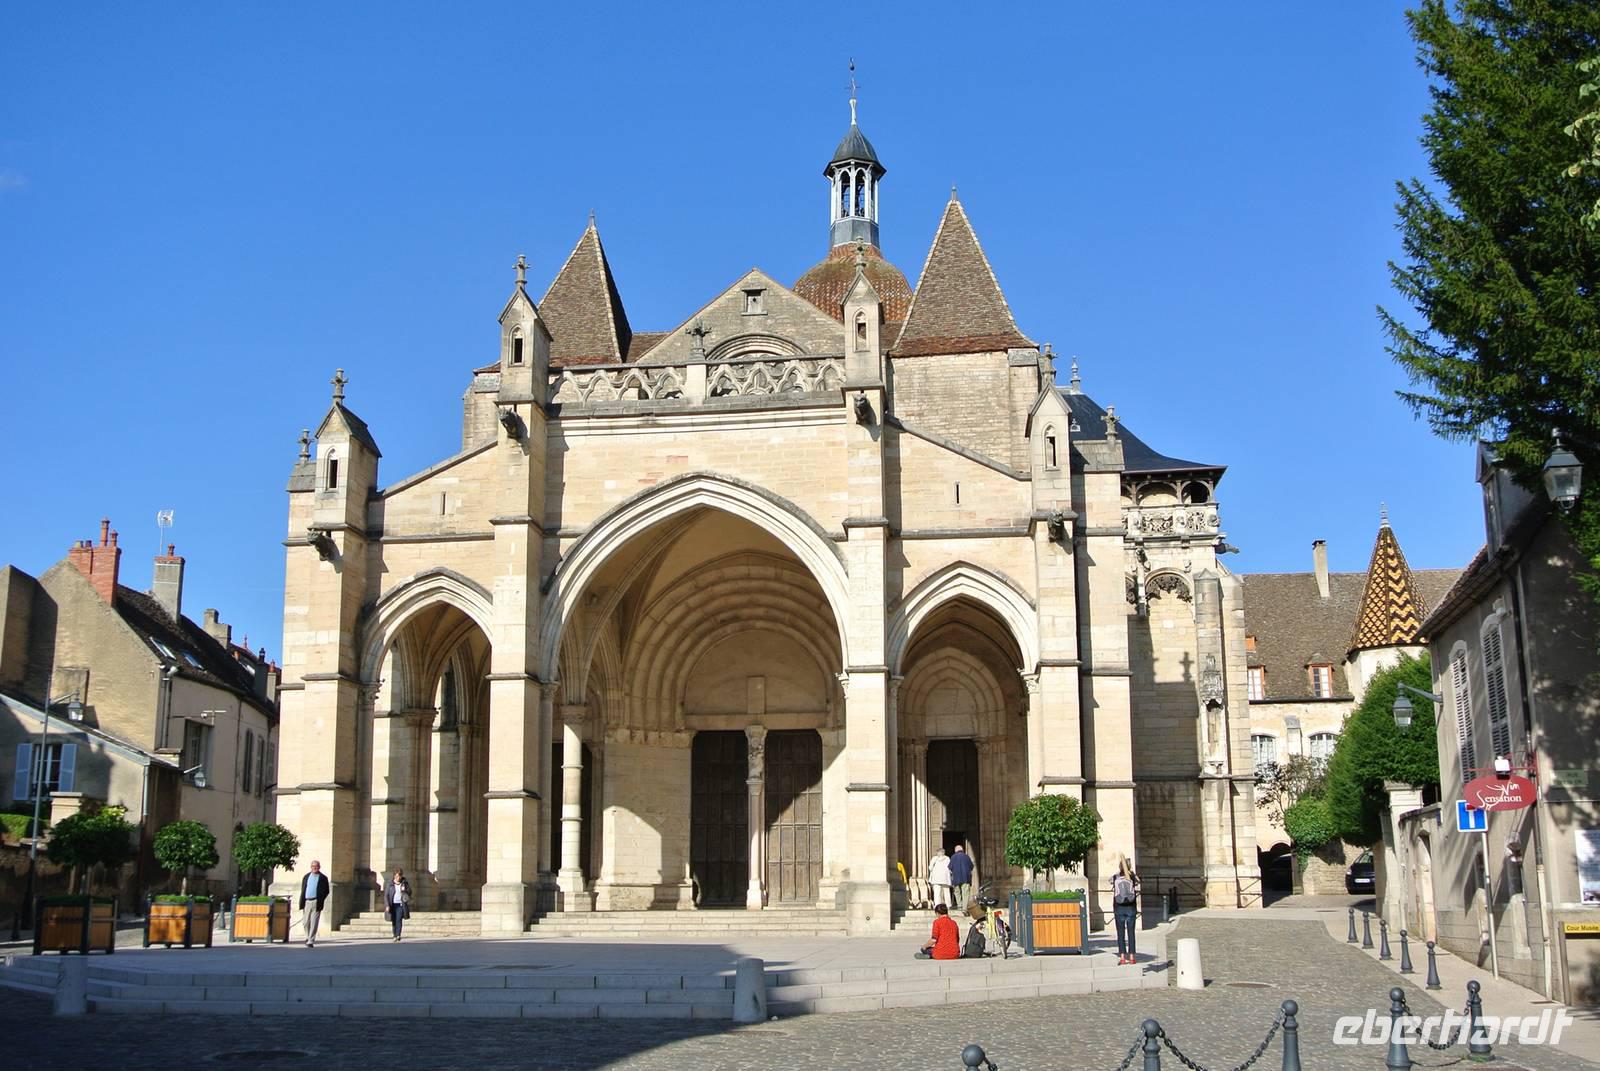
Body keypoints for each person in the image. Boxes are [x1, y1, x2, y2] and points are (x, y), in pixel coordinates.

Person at [1111, 855, 1140, 965]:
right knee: (1131, 932)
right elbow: (1138, 881)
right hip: (1131, 907)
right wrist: (1131, 872)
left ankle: (1122, 957)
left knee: (1121, 933)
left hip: (1119, 907)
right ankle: (1132, 957)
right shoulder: (1132, 877)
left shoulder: (1115, 877)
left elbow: (1110, 881)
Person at [299, 860, 329, 948]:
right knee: (305, 922)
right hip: (307, 901)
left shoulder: (323, 878)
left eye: (316, 866)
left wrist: (320, 898)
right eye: (313, 866)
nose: (314, 868)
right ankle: (308, 936)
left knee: (314, 922)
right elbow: (304, 889)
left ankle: (310, 940)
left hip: (316, 902)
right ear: (310, 867)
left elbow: (326, 891)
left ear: (319, 867)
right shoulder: (306, 877)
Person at [383, 867, 412, 942]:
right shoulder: (390, 883)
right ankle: (394, 935)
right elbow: (386, 895)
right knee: (394, 920)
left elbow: (410, 892)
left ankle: (398, 935)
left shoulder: (404, 883)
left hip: (400, 904)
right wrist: (387, 905)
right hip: (392, 904)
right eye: (396, 876)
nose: (398, 878)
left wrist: (404, 890)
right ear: (394, 876)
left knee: (399, 920)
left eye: (399, 876)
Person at [948, 844, 974, 909]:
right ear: (962, 850)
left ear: (955, 850)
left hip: (956, 878)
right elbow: (971, 866)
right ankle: (964, 908)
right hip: (965, 878)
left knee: (957, 892)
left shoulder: (953, 857)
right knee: (965, 893)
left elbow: (950, 867)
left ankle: (959, 905)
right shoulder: (966, 856)